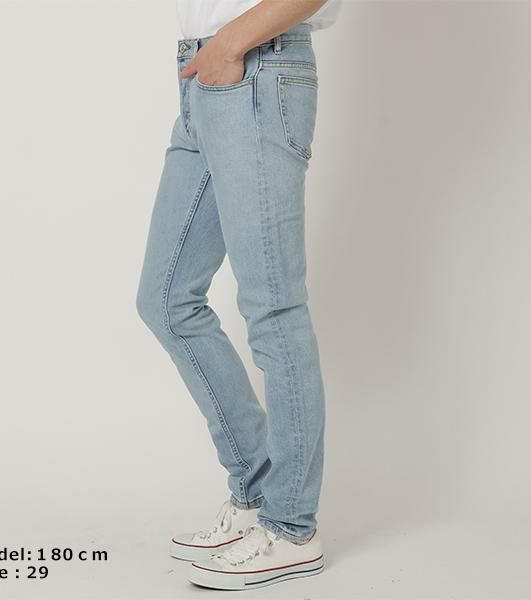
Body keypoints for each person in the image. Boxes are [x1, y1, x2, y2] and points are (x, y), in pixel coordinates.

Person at [136, 0, 341, 590]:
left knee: (274, 307)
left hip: (255, 66)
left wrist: (230, 44)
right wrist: (214, 54)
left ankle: (292, 527)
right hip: (206, 75)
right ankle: (255, 492)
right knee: (167, 300)